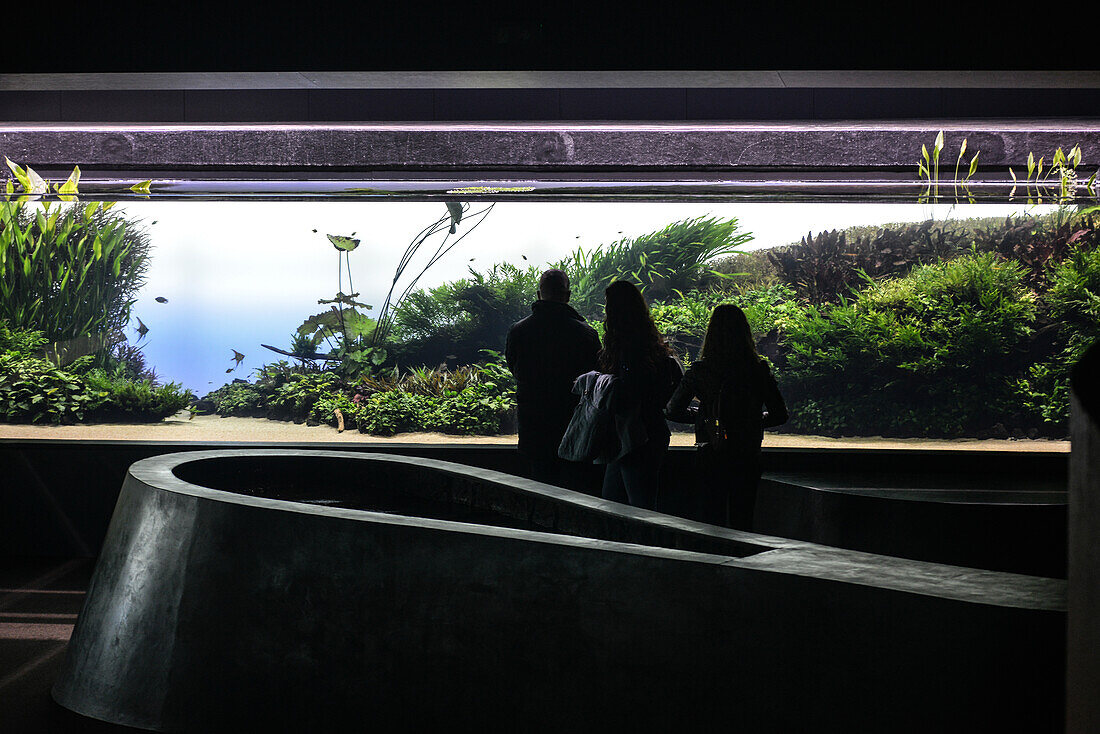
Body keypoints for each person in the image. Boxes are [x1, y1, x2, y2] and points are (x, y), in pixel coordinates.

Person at [665, 304, 788, 529]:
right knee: (743, 518)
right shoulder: (757, 369)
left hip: (710, 451)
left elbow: (673, 410)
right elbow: (780, 415)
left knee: (712, 518)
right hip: (747, 453)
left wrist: (706, 417)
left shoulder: (701, 370)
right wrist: (750, 421)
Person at [506, 269, 601, 487]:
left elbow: (515, 368)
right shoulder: (585, 333)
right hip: (573, 423)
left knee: (541, 484)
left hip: (534, 422)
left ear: (539, 294)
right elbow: (595, 377)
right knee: (576, 487)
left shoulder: (518, 331)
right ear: (567, 296)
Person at [598, 280, 684, 510]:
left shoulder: (625, 348)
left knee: (624, 505)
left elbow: (627, 393)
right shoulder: (649, 344)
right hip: (647, 432)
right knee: (638, 503)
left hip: (633, 434)